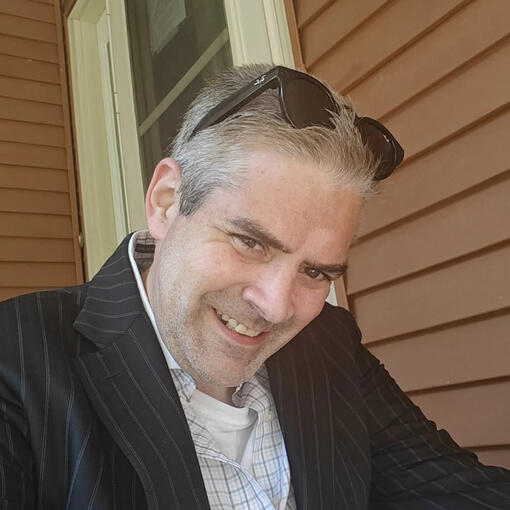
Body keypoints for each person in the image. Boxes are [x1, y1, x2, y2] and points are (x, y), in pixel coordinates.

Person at [1, 64, 509, 510]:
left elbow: (456, 490)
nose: (275, 306)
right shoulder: (17, 360)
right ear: (166, 201)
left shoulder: (329, 344)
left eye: (316, 272)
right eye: (250, 242)